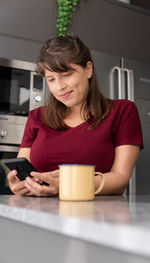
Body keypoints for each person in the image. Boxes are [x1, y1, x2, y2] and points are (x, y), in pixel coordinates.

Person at [7, 35, 143, 196]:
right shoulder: (36, 117)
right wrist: (19, 185)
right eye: (51, 79)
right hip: (39, 215)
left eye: (66, 75)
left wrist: (66, 185)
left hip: (97, 215)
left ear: (88, 69)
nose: (59, 87)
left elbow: (120, 180)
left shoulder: (123, 111)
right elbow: (23, 173)